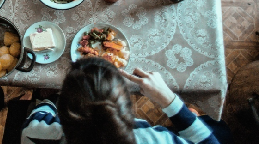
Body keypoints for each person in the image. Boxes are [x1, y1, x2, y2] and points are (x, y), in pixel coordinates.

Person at [21, 58, 233, 144]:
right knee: (215, 128)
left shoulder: (35, 133)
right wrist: (169, 100)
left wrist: (48, 100)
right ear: (128, 108)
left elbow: (42, 110)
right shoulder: (155, 139)